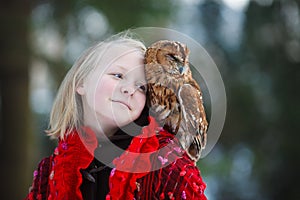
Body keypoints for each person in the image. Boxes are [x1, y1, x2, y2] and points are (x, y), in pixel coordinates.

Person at [25, 31, 207, 200]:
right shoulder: (50, 172)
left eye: (142, 87)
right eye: (118, 75)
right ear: (81, 83)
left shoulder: (166, 165)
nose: (129, 89)